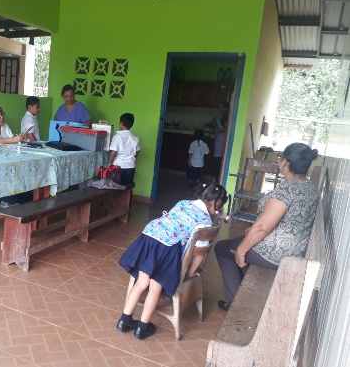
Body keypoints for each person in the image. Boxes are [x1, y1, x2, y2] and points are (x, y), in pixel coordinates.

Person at [214, 142, 319, 312]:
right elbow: (288, 220)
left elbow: (263, 228)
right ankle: (242, 295)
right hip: (294, 249)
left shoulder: (287, 190)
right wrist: (250, 235)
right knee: (240, 240)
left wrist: (241, 251)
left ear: (284, 163)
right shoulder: (310, 187)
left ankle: (236, 304)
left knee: (223, 248)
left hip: (277, 254)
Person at [117, 184, 229, 340]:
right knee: (155, 286)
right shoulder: (204, 222)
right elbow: (199, 253)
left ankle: (124, 321)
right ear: (215, 204)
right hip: (167, 247)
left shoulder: (183, 203)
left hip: (149, 237)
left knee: (142, 282)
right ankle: (142, 328)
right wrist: (190, 272)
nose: (218, 210)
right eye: (220, 207)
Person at [108, 113, 140, 185]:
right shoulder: (135, 138)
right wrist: (131, 158)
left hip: (118, 166)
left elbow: (114, 152)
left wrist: (110, 162)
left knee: (116, 186)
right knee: (128, 187)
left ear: (121, 123)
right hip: (130, 167)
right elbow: (137, 153)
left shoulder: (117, 137)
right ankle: (128, 196)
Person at [208, 101, 229, 183]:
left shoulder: (226, 116)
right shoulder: (222, 116)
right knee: (217, 157)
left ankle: (215, 177)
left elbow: (226, 129)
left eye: (221, 107)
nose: (219, 108)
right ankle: (215, 177)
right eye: (219, 107)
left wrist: (214, 130)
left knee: (218, 158)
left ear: (226, 108)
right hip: (218, 139)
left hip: (222, 140)